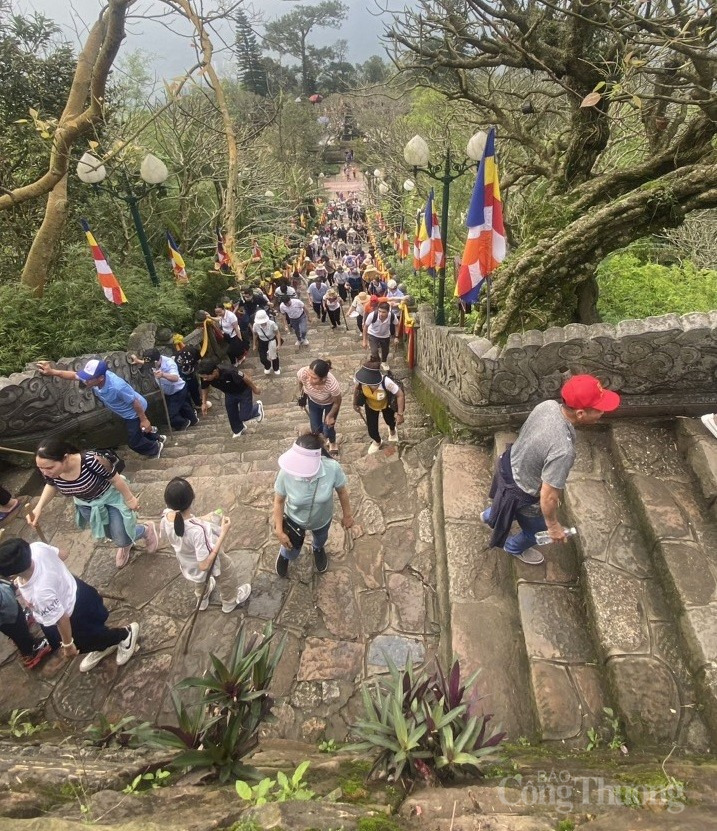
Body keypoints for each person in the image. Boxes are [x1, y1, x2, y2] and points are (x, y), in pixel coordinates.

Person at [481, 374, 621, 565]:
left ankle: (490, 516)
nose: (602, 413)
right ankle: (513, 547)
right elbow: (548, 496)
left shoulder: (547, 406)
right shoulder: (563, 450)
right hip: (523, 491)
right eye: (599, 410)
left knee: (503, 500)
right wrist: (553, 525)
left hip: (508, 466)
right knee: (535, 531)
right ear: (580, 413)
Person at [0, 537, 140, 673]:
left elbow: (62, 619)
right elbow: (63, 554)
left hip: (73, 614)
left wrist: (68, 645)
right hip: (78, 591)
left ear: (12, 574)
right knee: (94, 633)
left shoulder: (39, 593)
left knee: (85, 640)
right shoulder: (36, 547)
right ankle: (103, 647)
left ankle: (125, 634)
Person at [31, 438, 158, 568]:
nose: (45, 472)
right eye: (40, 468)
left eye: (49, 467)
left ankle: (145, 530)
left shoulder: (92, 460)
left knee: (121, 537)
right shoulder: (51, 473)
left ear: (65, 457)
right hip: (86, 505)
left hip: (109, 500)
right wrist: (39, 507)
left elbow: (115, 479)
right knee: (110, 533)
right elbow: (51, 485)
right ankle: (124, 542)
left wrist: (130, 498)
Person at [36, 359, 163, 459]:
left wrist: (144, 419)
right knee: (139, 430)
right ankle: (157, 436)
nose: (84, 381)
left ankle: (155, 448)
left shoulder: (117, 387)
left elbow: (135, 402)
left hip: (134, 412)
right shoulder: (93, 378)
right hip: (124, 411)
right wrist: (52, 372)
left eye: (88, 379)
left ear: (100, 378)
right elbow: (73, 375)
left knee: (134, 442)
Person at [161, 478, 251, 613]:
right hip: (208, 560)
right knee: (227, 574)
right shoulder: (198, 531)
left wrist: (204, 518)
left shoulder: (166, 517)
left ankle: (202, 599)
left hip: (188, 563)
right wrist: (223, 533)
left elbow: (185, 523)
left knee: (200, 581)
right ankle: (229, 601)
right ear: (192, 499)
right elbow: (204, 565)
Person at [272, 434, 354, 578]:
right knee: (290, 547)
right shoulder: (286, 473)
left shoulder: (332, 468)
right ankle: (285, 555)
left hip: (322, 519)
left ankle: (318, 549)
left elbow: (342, 491)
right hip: (294, 520)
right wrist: (279, 530)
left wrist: (347, 515)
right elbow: (278, 501)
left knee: (321, 538)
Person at [129, 349, 198, 431]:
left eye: (152, 364)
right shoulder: (152, 363)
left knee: (170, 415)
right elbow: (147, 363)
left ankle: (183, 423)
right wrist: (138, 361)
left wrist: (163, 375)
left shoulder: (169, 363)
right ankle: (193, 420)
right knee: (184, 406)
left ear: (157, 360)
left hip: (178, 390)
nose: (151, 366)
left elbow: (175, 378)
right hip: (168, 391)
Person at [198, 358, 264, 439]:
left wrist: (255, 388)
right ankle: (238, 429)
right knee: (231, 413)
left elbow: (245, 377)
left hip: (243, 391)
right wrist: (204, 403)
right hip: (229, 393)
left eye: (206, 377)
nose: (204, 379)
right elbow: (204, 387)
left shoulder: (229, 371)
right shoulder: (205, 376)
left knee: (244, 416)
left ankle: (257, 408)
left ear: (214, 372)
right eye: (203, 377)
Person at [353, 361, 405, 454]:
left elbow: (400, 394)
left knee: (390, 420)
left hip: (386, 405)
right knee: (372, 429)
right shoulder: (362, 381)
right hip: (370, 405)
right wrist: (355, 403)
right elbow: (356, 390)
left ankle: (392, 431)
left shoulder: (386, 382)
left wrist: (400, 414)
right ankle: (377, 441)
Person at [0, 577, 51, 669]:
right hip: (6, 611)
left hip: (5, 600)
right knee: (16, 628)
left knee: (15, 622)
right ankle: (31, 650)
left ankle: (21, 623)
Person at [297, 359, 342, 456]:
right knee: (315, 428)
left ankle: (332, 442)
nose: (309, 379)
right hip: (313, 402)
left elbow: (337, 402)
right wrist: (302, 396)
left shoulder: (332, 385)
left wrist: (330, 415)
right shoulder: (303, 373)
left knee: (328, 428)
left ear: (323, 379)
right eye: (309, 375)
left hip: (330, 404)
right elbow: (300, 383)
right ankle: (319, 445)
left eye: (314, 378)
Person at [252, 309, 282, 375]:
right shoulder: (255, 325)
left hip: (272, 340)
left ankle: (276, 368)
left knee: (274, 355)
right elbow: (255, 334)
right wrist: (254, 344)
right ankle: (267, 366)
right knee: (262, 358)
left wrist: (279, 344)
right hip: (262, 341)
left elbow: (277, 333)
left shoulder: (272, 324)